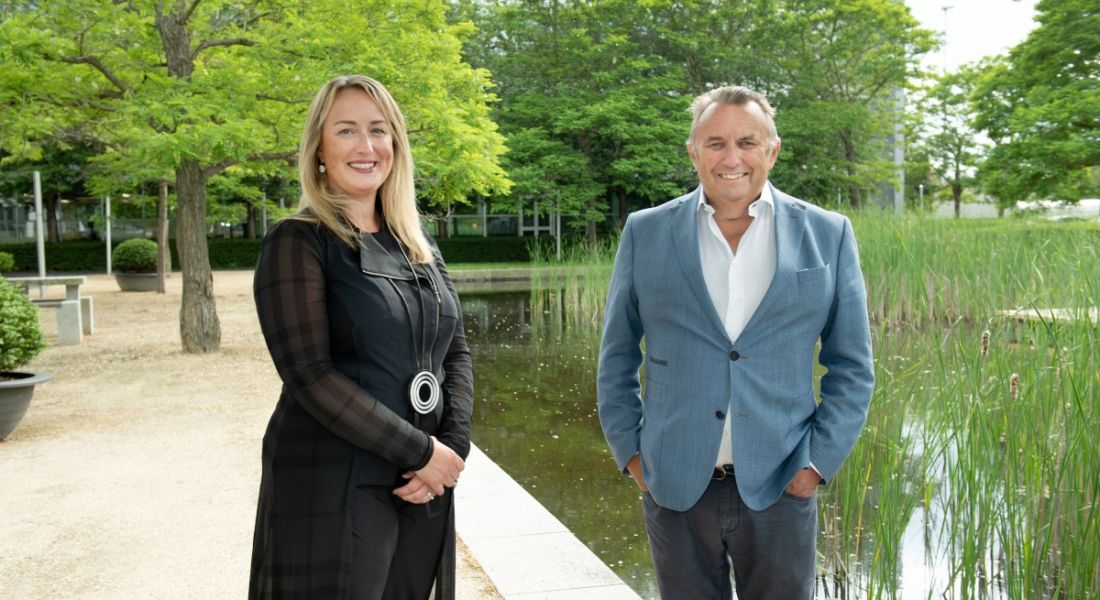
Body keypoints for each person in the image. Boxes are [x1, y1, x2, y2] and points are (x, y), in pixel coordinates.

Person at [596, 85, 875, 599]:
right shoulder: (646, 231)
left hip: (781, 482)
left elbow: (853, 366)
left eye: (747, 142)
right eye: (715, 142)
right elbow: (616, 357)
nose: (731, 158)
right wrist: (633, 455)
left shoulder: (828, 233)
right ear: (693, 152)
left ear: (772, 150)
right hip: (674, 483)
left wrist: (814, 465)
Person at [249, 75, 473, 600]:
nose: (366, 146)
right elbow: (309, 374)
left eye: (379, 130)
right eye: (346, 130)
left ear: (396, 143)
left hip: (422, 481)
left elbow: (455, 350)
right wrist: (420, 450)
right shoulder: (297, 242)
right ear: (320, 149)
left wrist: (452, 449)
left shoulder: (419, 247)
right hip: (334, 477)